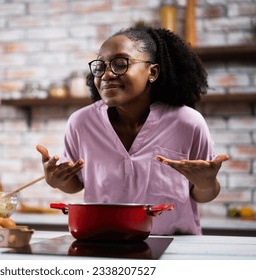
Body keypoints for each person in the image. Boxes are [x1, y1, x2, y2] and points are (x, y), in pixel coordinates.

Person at [36, 25, 229, 235]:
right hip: (104, 243)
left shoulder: (188, 122)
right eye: (100, 66)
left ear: (152, 72)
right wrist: (57, 181)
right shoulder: (81, 122)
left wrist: (207, 182)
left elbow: (203, 194)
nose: (107, 75)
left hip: (175, 247)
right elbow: (76, 185)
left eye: (120, 64)